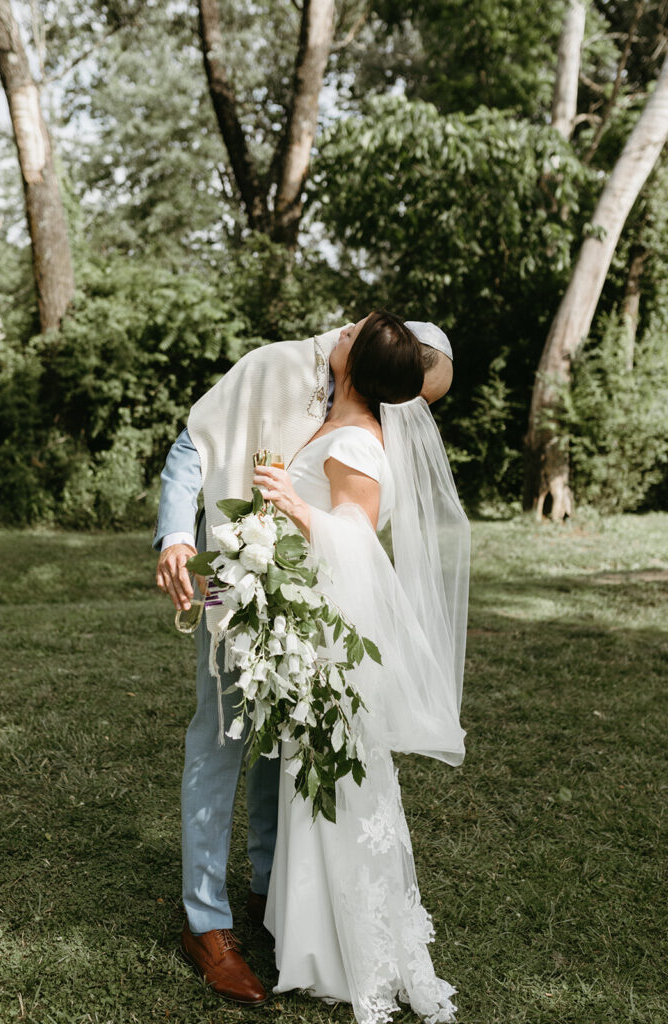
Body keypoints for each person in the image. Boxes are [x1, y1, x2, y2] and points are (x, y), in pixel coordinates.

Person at [154, 316, 458, 1005]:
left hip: (302, 604)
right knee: (219, 735)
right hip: (230, 582)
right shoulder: (277, 366)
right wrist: (178, 538)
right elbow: (192, 446)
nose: (344, 324)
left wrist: (293, 512)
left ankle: (271, 890)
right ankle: (206, 923)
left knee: (281, 746)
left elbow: (353, 524)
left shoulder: (358, 424)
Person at [249, 311, 467, 1022]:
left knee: (334, 784)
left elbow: (357, 539)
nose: (337, 332)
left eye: (349, 333)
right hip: (313, 627)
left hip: (332, 641)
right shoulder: (341, 425)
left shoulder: (355, 442)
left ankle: (342, 949)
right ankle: (310, 933)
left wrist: (291, 506)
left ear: (355, 365)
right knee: (320, 783)